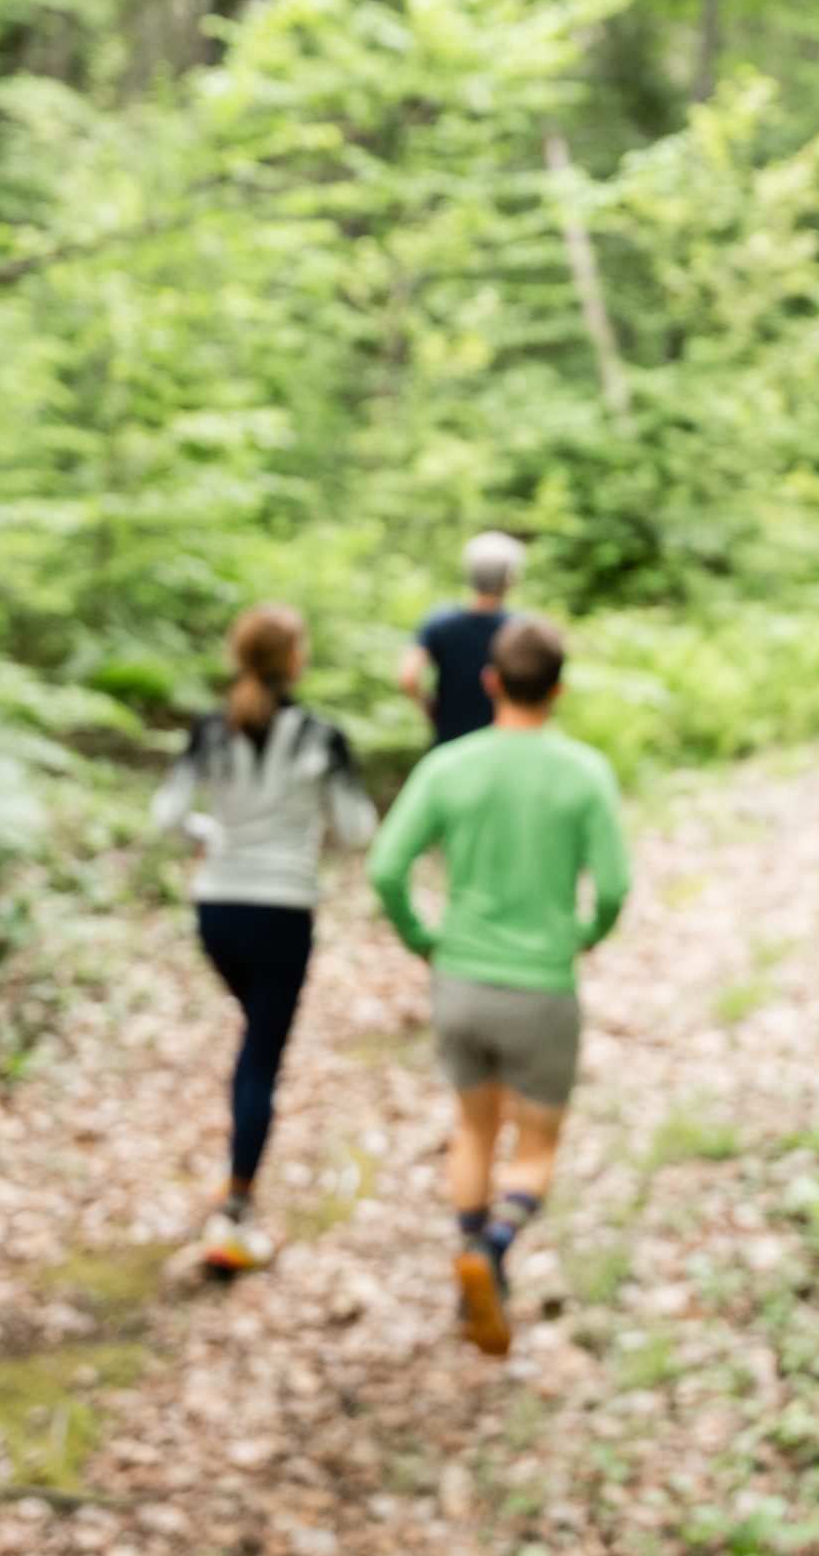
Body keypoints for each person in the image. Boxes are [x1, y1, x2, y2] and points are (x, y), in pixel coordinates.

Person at [367, 616, 630, 1356]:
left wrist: (425, 939)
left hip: (460, 979)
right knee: (536, 1142)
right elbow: (613, 886)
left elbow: (386, 867)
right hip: (542, 986)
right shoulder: (584, 772)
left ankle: (470, 1273)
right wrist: (586, 935)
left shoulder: (449, 766)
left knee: (474, 1125)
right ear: (559, 690)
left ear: (489, 682)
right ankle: (495, 1250)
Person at [153, 604, 377, 1274]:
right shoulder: (321, 737)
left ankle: (237, 1186)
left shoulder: (208, 731)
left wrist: (209, 835)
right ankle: (238, 1203)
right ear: (295, 658)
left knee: (256, 1042)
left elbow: (166, 814)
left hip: (217, 909)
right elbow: (360, 828)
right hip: (283, 910)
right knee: (261, 1053)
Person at [397, 531, 525, 748]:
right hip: (502, 741)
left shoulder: (440, 623)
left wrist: (431, 710)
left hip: (450, 740)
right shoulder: (519, 628)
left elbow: (408, 676)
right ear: (509, 579)